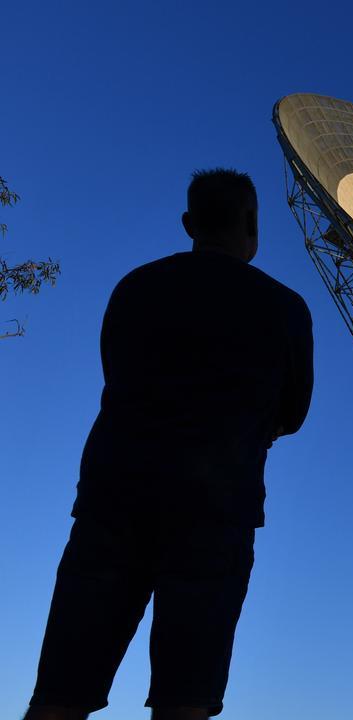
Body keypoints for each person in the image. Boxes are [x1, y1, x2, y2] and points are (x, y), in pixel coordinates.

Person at [26, 168, 314, 720]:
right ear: (252, 224)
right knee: (185, 701)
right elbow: (294, 413)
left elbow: (117, 374)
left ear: (188, 223)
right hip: (215, 512)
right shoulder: (285, 307)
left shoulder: (134, 287)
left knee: (59, 695)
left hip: (112, 502)